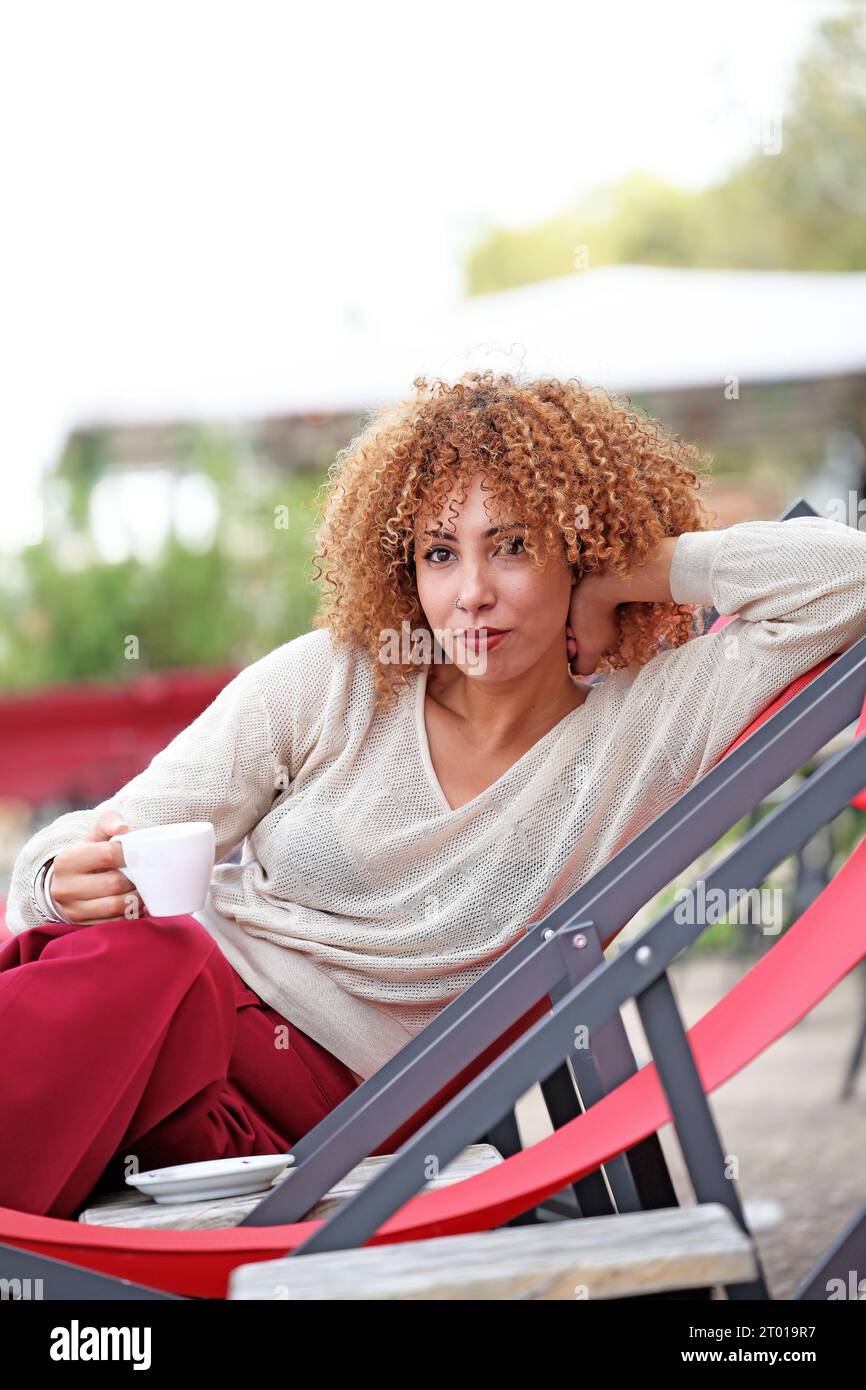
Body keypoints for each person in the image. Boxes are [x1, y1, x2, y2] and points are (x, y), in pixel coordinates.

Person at [4, 368, 866, 1220]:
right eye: (440, 553)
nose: (472, 594)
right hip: (169, 1031)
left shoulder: (647, 723)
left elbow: (849, 581)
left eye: (515, 545)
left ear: (580, 542)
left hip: (337, 1120)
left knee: (142, 965)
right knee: (138, 956)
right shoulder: (339, 677)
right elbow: (110, 832)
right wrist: (56, 879)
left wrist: (630, 568)